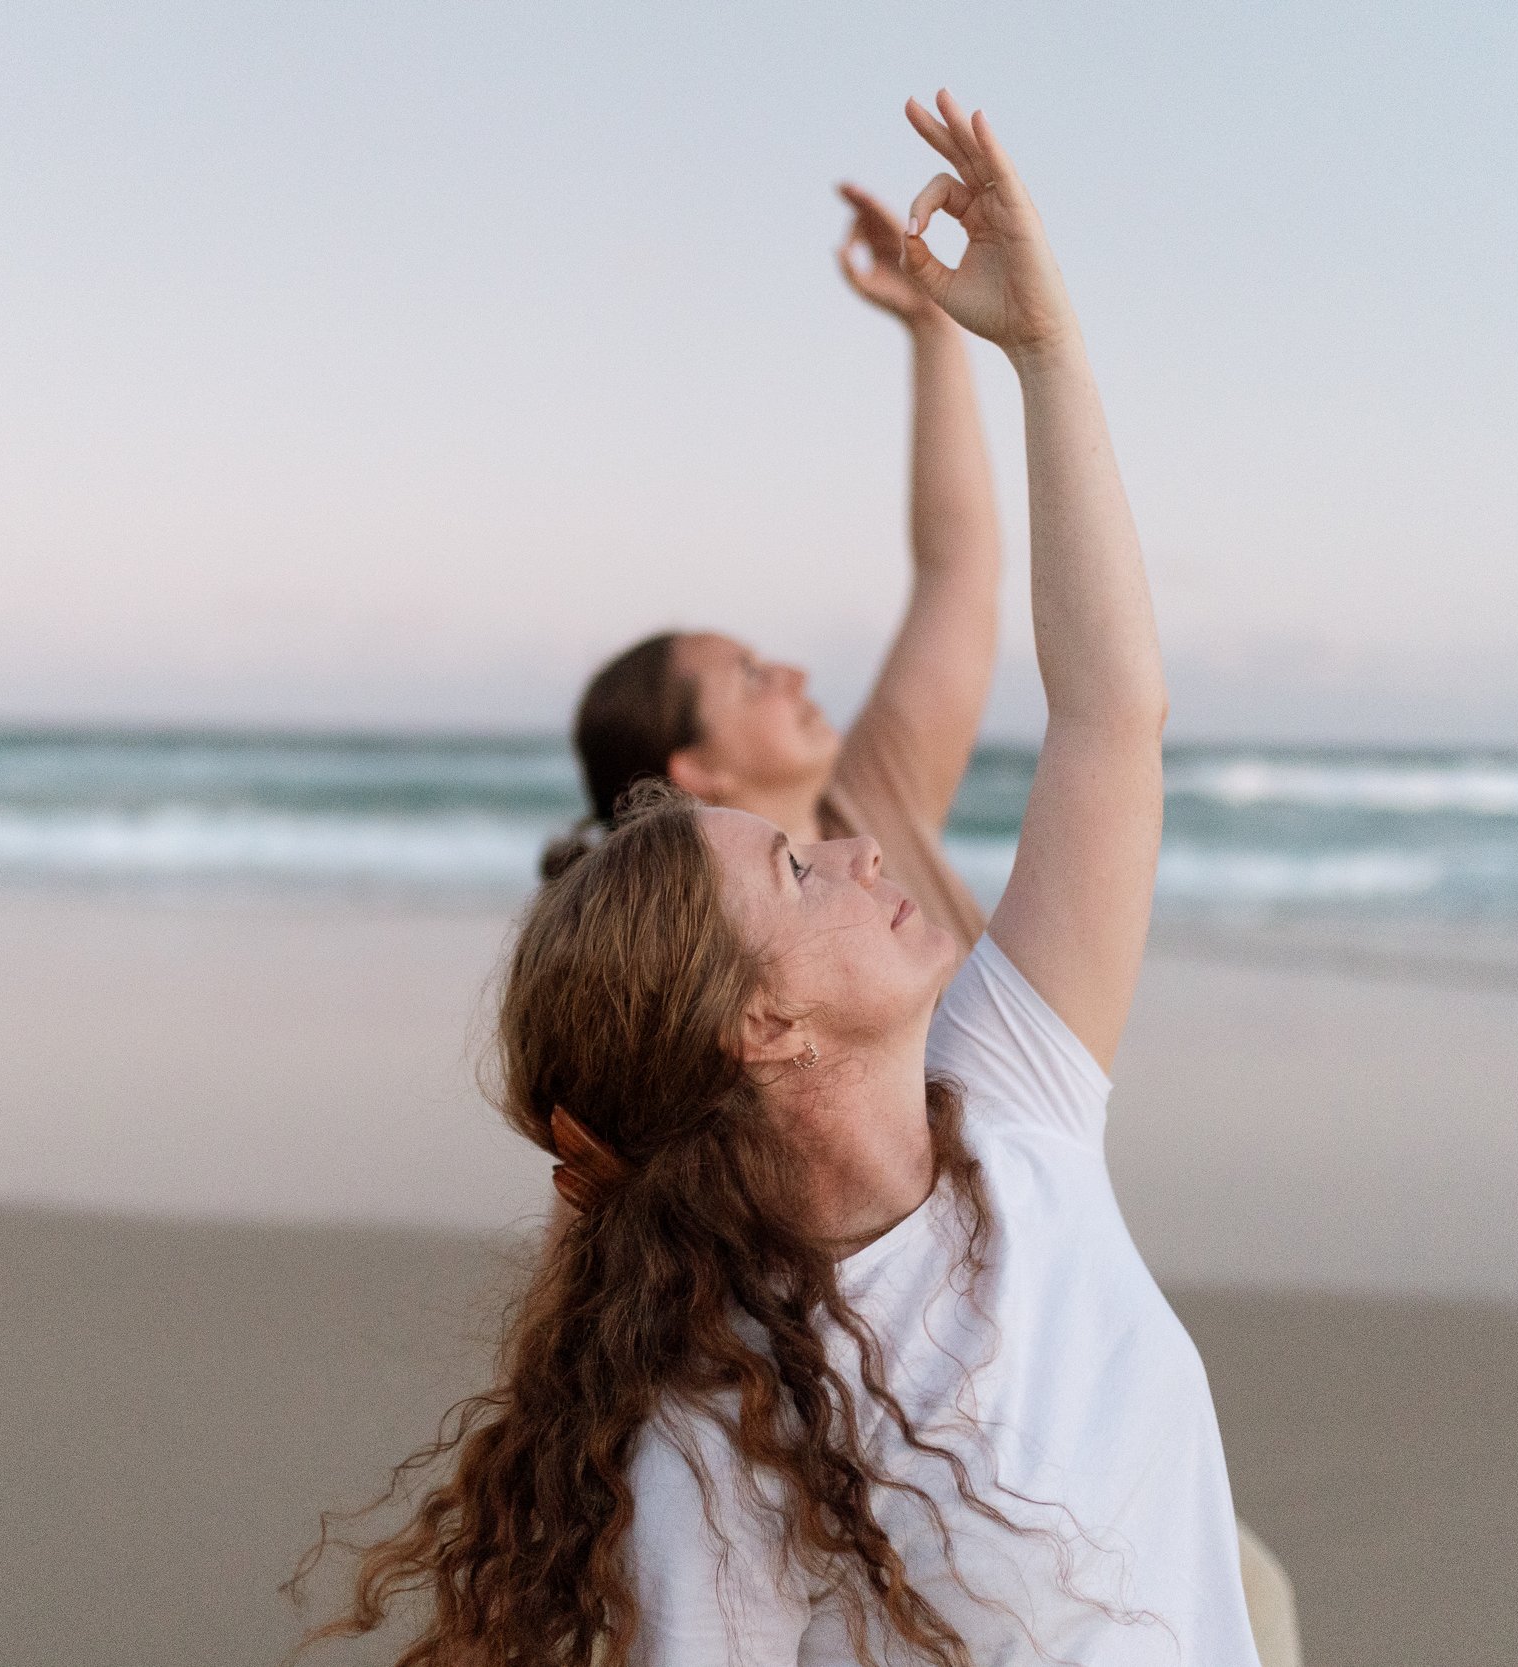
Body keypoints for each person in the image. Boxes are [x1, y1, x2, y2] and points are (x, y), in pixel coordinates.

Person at [304, 92, 1276, 1665]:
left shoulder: (1014, 1106)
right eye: (799, 864)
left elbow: (1110, 716)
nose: (864, 843)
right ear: (757, 1023)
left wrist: (1043, 347)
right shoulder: (714, 1446)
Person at [544, 172, 1002, 948]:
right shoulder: (727, 964)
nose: (793, 672)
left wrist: (933, 330)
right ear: (696, 770)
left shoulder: (868, 804)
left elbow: (957, 567)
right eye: (750, 677)